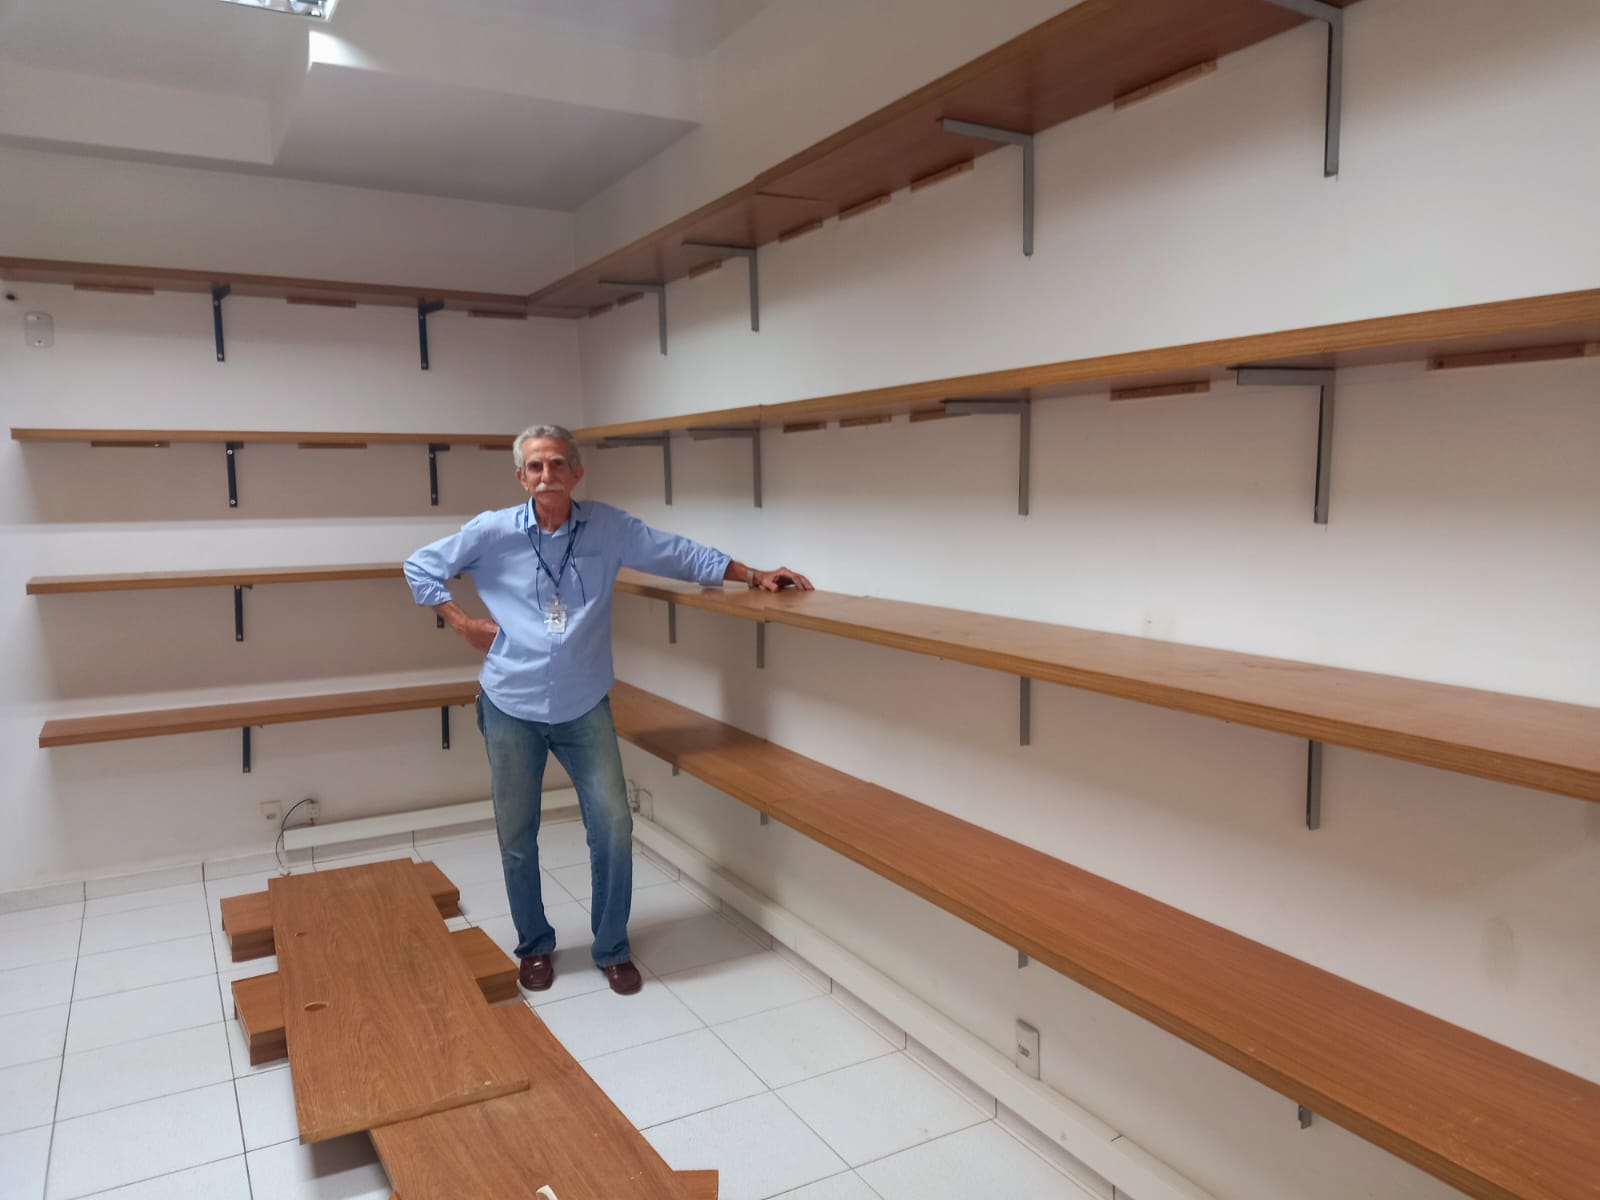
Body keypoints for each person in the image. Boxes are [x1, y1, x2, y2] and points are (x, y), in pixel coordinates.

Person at [403, 423, 811, 996]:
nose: (547, 474)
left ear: (577, 471)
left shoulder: (608, 527)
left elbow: (677, 554)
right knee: (517, 834)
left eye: (557, 464)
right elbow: (419, 566)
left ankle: (612, 946)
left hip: (583, 705)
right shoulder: (493, 530)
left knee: (614, 826)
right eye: (535, 466)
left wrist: (753, 574)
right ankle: (534, 944)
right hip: (511, 705)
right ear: (520, 476)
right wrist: (464, 623)